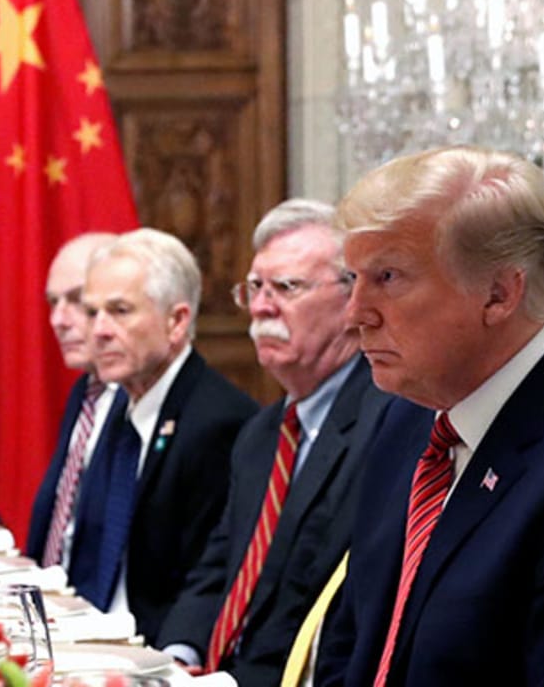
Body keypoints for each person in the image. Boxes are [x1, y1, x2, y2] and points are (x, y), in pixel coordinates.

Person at [316, 147, 544, 686]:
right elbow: (354, 640)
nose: (354, 314)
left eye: (387, 277)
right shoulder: (408, 418)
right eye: (353, 279)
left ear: (499, 295)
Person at [156, 201, 389, 685]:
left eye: (286, 287)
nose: (262, 307)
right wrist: (176, 658)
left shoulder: (386, 424)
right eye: (255, 288)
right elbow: (219, 569)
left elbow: (325, 609)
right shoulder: (262, 435)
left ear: (353, 300)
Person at [69, 227, 256, 642]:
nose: (98, 330)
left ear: (176, 321)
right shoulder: (118, 403)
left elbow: (206, 581)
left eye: (119, 311)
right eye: (92, 311)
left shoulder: (217, 421)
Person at [25, 231, 121, 569]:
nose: (58, 320)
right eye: (53, 302)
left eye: (77, 300)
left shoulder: (138, 402)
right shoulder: (85, 392)